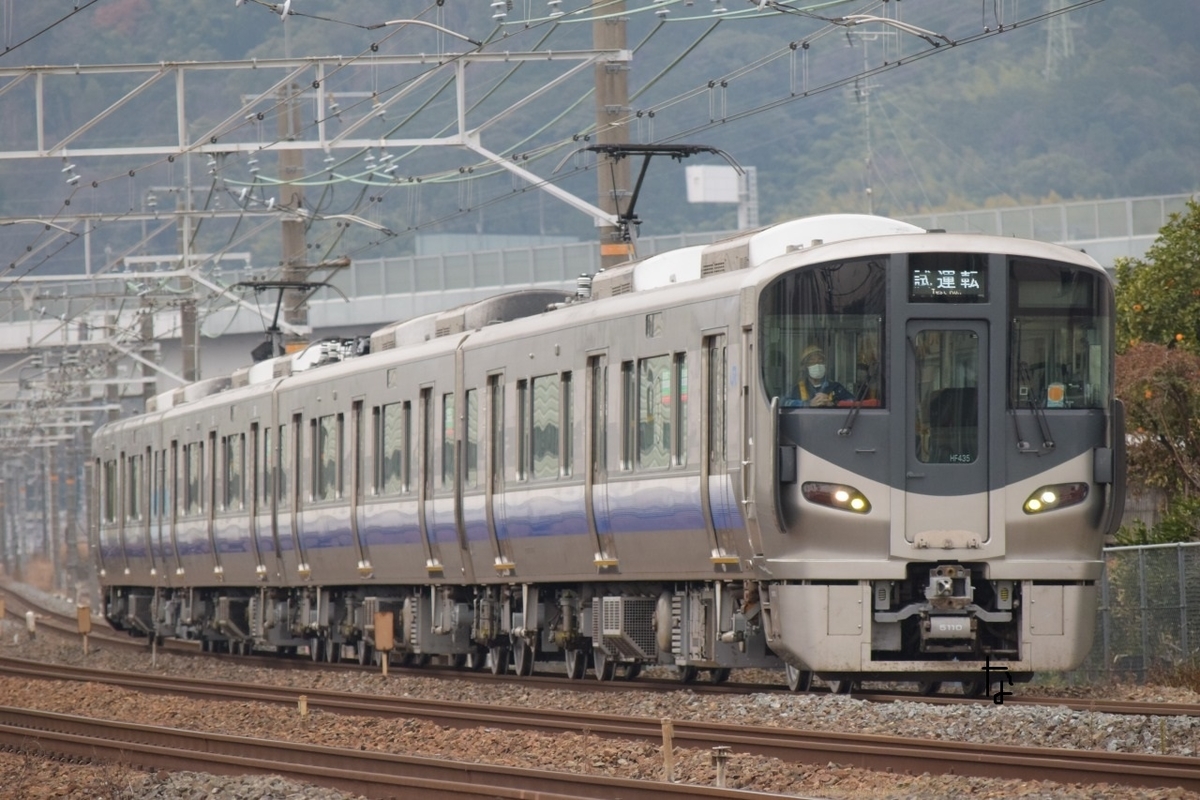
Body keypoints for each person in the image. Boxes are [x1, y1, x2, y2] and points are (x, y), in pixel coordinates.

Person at [785, 346, 853, 407]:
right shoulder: (798, 389)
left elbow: (853, 402)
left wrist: (833, 403)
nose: (817, 364)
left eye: (820, 361)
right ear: (805, 366)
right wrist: (808, 404)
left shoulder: (835, 387)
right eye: (812, 361)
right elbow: (784, 403)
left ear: (825, 365)